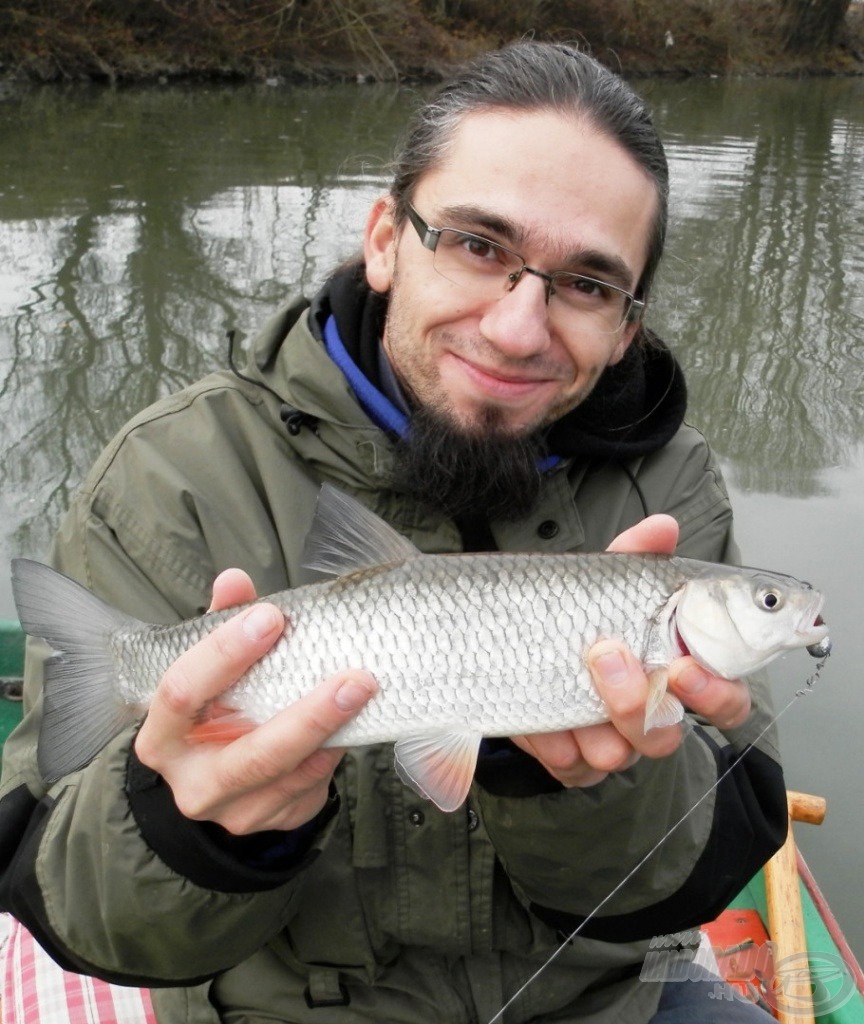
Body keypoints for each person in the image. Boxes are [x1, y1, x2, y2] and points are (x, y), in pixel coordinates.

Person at [0, 41, 786, 1023]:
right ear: (383, 239)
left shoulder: (669, 485)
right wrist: (193, 829)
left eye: (587, 284)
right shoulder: (173, 473)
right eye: (478, 245)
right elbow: (69, 907)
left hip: (608, 1003)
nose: (516, 327)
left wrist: (561, 776)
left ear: (627, 325)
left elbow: (704, 870)